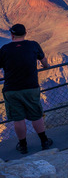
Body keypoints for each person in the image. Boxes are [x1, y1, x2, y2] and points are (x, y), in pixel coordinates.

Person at [0, 24, 52, 154]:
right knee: (36, 115)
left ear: (12, 35)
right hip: (31, 87)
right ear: (25, 34)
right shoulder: (33, 45)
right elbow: (45, 63)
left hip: (12, 89)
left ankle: (23, 146)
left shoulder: (4, 49)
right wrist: (45, 66)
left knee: (18, 118)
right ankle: (44, 141)